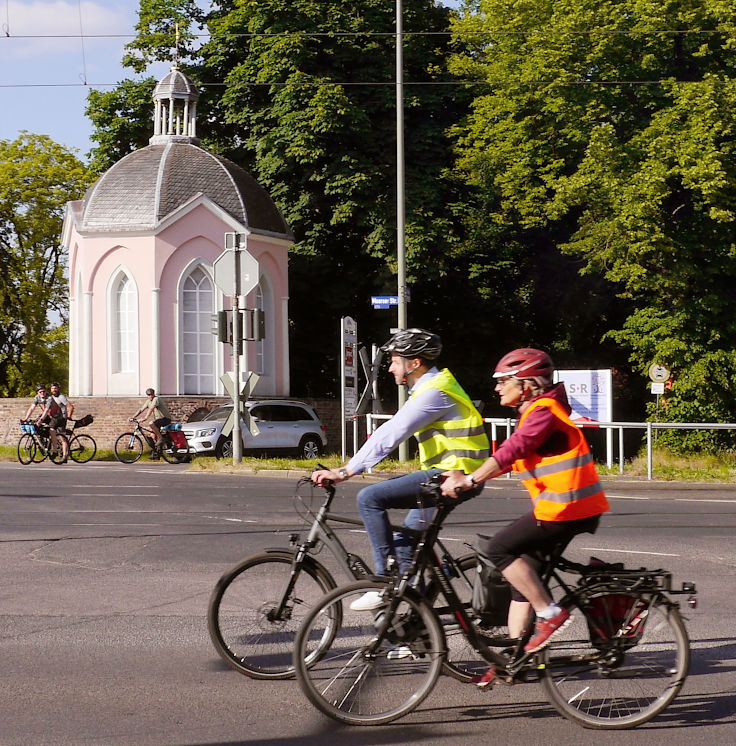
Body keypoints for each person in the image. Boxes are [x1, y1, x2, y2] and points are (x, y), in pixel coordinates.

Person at [441, 348, 610, 688]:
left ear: (529, 385)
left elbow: (514, 449)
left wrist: (471, 480)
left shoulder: (543, 412)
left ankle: (551, 614)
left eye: (504, 381)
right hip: (565, 507)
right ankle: (511, 662)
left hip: (566, 509)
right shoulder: (537, 411)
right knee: (524, 582)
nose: (498, 387)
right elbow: (509, 455)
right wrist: (464, 473)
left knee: (497, 549)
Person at [312, 328, 490, 611]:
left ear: (414, 363)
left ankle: (384, 580)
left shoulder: (435, 393)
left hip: (453, 476)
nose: (391, 368)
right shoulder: (434, 387)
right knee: (406, 549)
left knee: (369, 498)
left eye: (395, 361)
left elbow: (393, 432)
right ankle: (415, 633)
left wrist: (346, 471)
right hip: (448, 476)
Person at [36, 381, 74, 461]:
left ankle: (64, 456)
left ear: (58, 389)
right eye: (52, 388)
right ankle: (50, 447)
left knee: (62, 437)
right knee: (46, 429)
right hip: (54, 417)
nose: (54, 390)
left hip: (62, 418)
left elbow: (70, 407)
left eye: (55, 388)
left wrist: (69, 416)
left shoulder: (61, 397)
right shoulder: (51, 397)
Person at [131, 388, 172, 458]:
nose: (150, 396)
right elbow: (141, 409)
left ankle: (161, 438)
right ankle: (158, 453)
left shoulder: (156, 399)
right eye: (148, 395)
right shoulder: (148, 402)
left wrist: (145, 418)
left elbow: (152, 408)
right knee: (152, 436)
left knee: (151, 423)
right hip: (158, 420)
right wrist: (132, 417)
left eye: (151, 394)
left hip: (165, 418)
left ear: (154, 394)